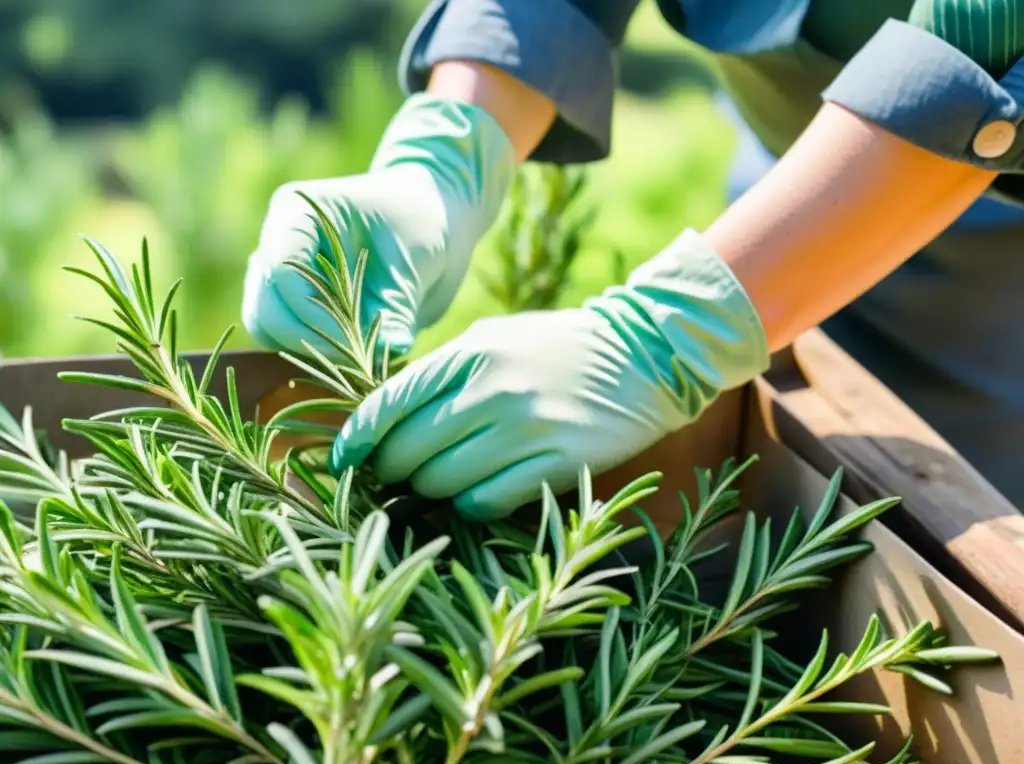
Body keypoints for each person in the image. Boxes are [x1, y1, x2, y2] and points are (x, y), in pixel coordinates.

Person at [243, 0, 1024, 521]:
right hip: (812, 177)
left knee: (976, 522)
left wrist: (665, 336)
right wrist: (446, 150)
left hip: (986, 220)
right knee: (852, 482)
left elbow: (982, 42)